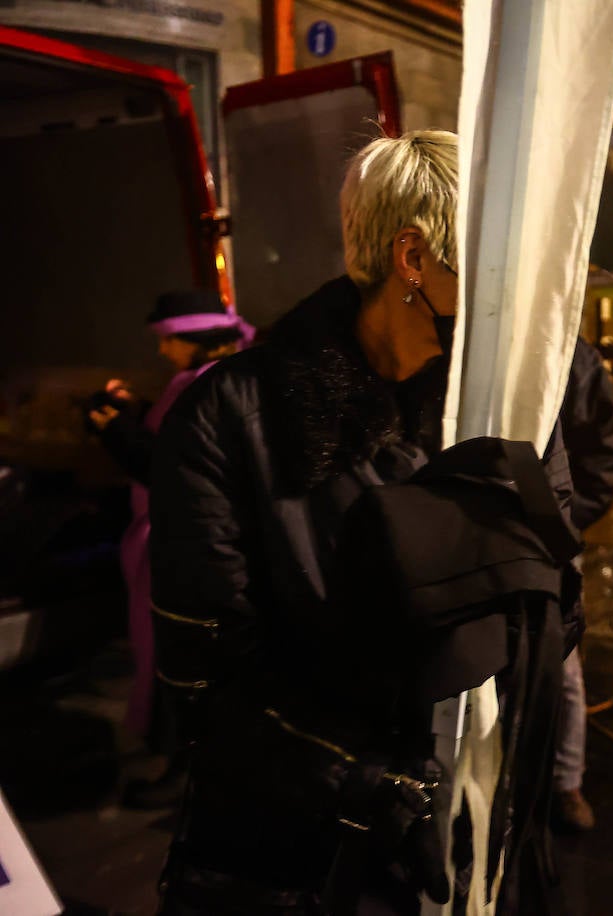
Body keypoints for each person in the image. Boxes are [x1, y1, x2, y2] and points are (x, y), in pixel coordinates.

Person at [147, 129, 577, 914]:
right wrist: (366, 785)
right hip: (290, 857)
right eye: (496, 270)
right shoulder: (231, 414)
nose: (515, 297)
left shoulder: (504, 409)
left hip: (477, 833)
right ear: (413, 259)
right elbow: (204, 674)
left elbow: (556, 598)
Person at [85, 290, 252, 809]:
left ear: (194, 338)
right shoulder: (225, 378)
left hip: (187, 543)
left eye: (169, 341)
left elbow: (172, 468)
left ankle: (188, 778)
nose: (163, 353)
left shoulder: (207, 385)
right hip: (195, 540)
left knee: (177, 660)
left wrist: (113, 429)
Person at [551, 337, 613, 832]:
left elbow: (607, 442)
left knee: (561, 662)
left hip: (549, 537)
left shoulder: (568, 352)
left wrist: (565, 519)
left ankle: (566, 782)